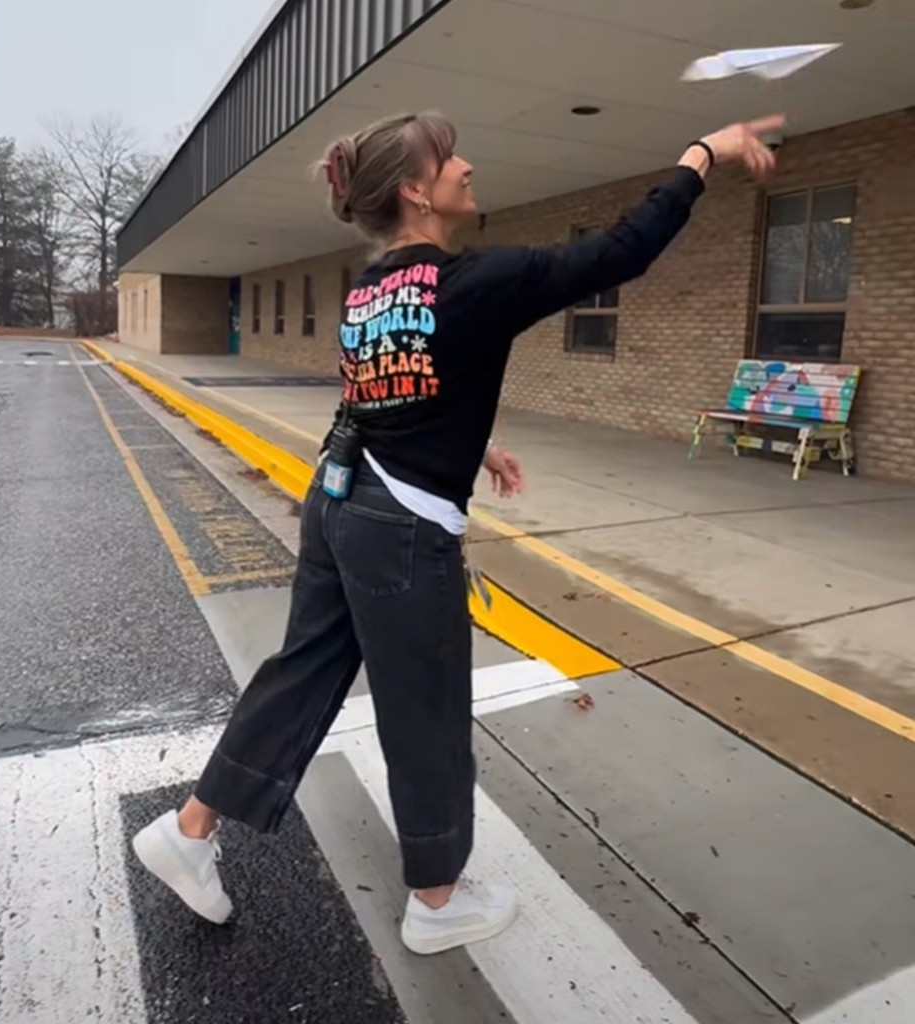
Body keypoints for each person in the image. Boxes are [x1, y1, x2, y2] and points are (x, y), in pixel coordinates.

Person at [132, 109, 784, 955]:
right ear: (415, 189)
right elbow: (622, 250)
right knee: (426, 709)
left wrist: (477, 445)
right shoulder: (473, 282)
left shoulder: (372, 288)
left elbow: (386, 390)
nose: (468, 167)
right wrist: (704, 153)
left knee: (304, 673)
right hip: (401, 528)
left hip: (342, 503)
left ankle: (188, 831)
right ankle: (438, 902)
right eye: (450, 160)